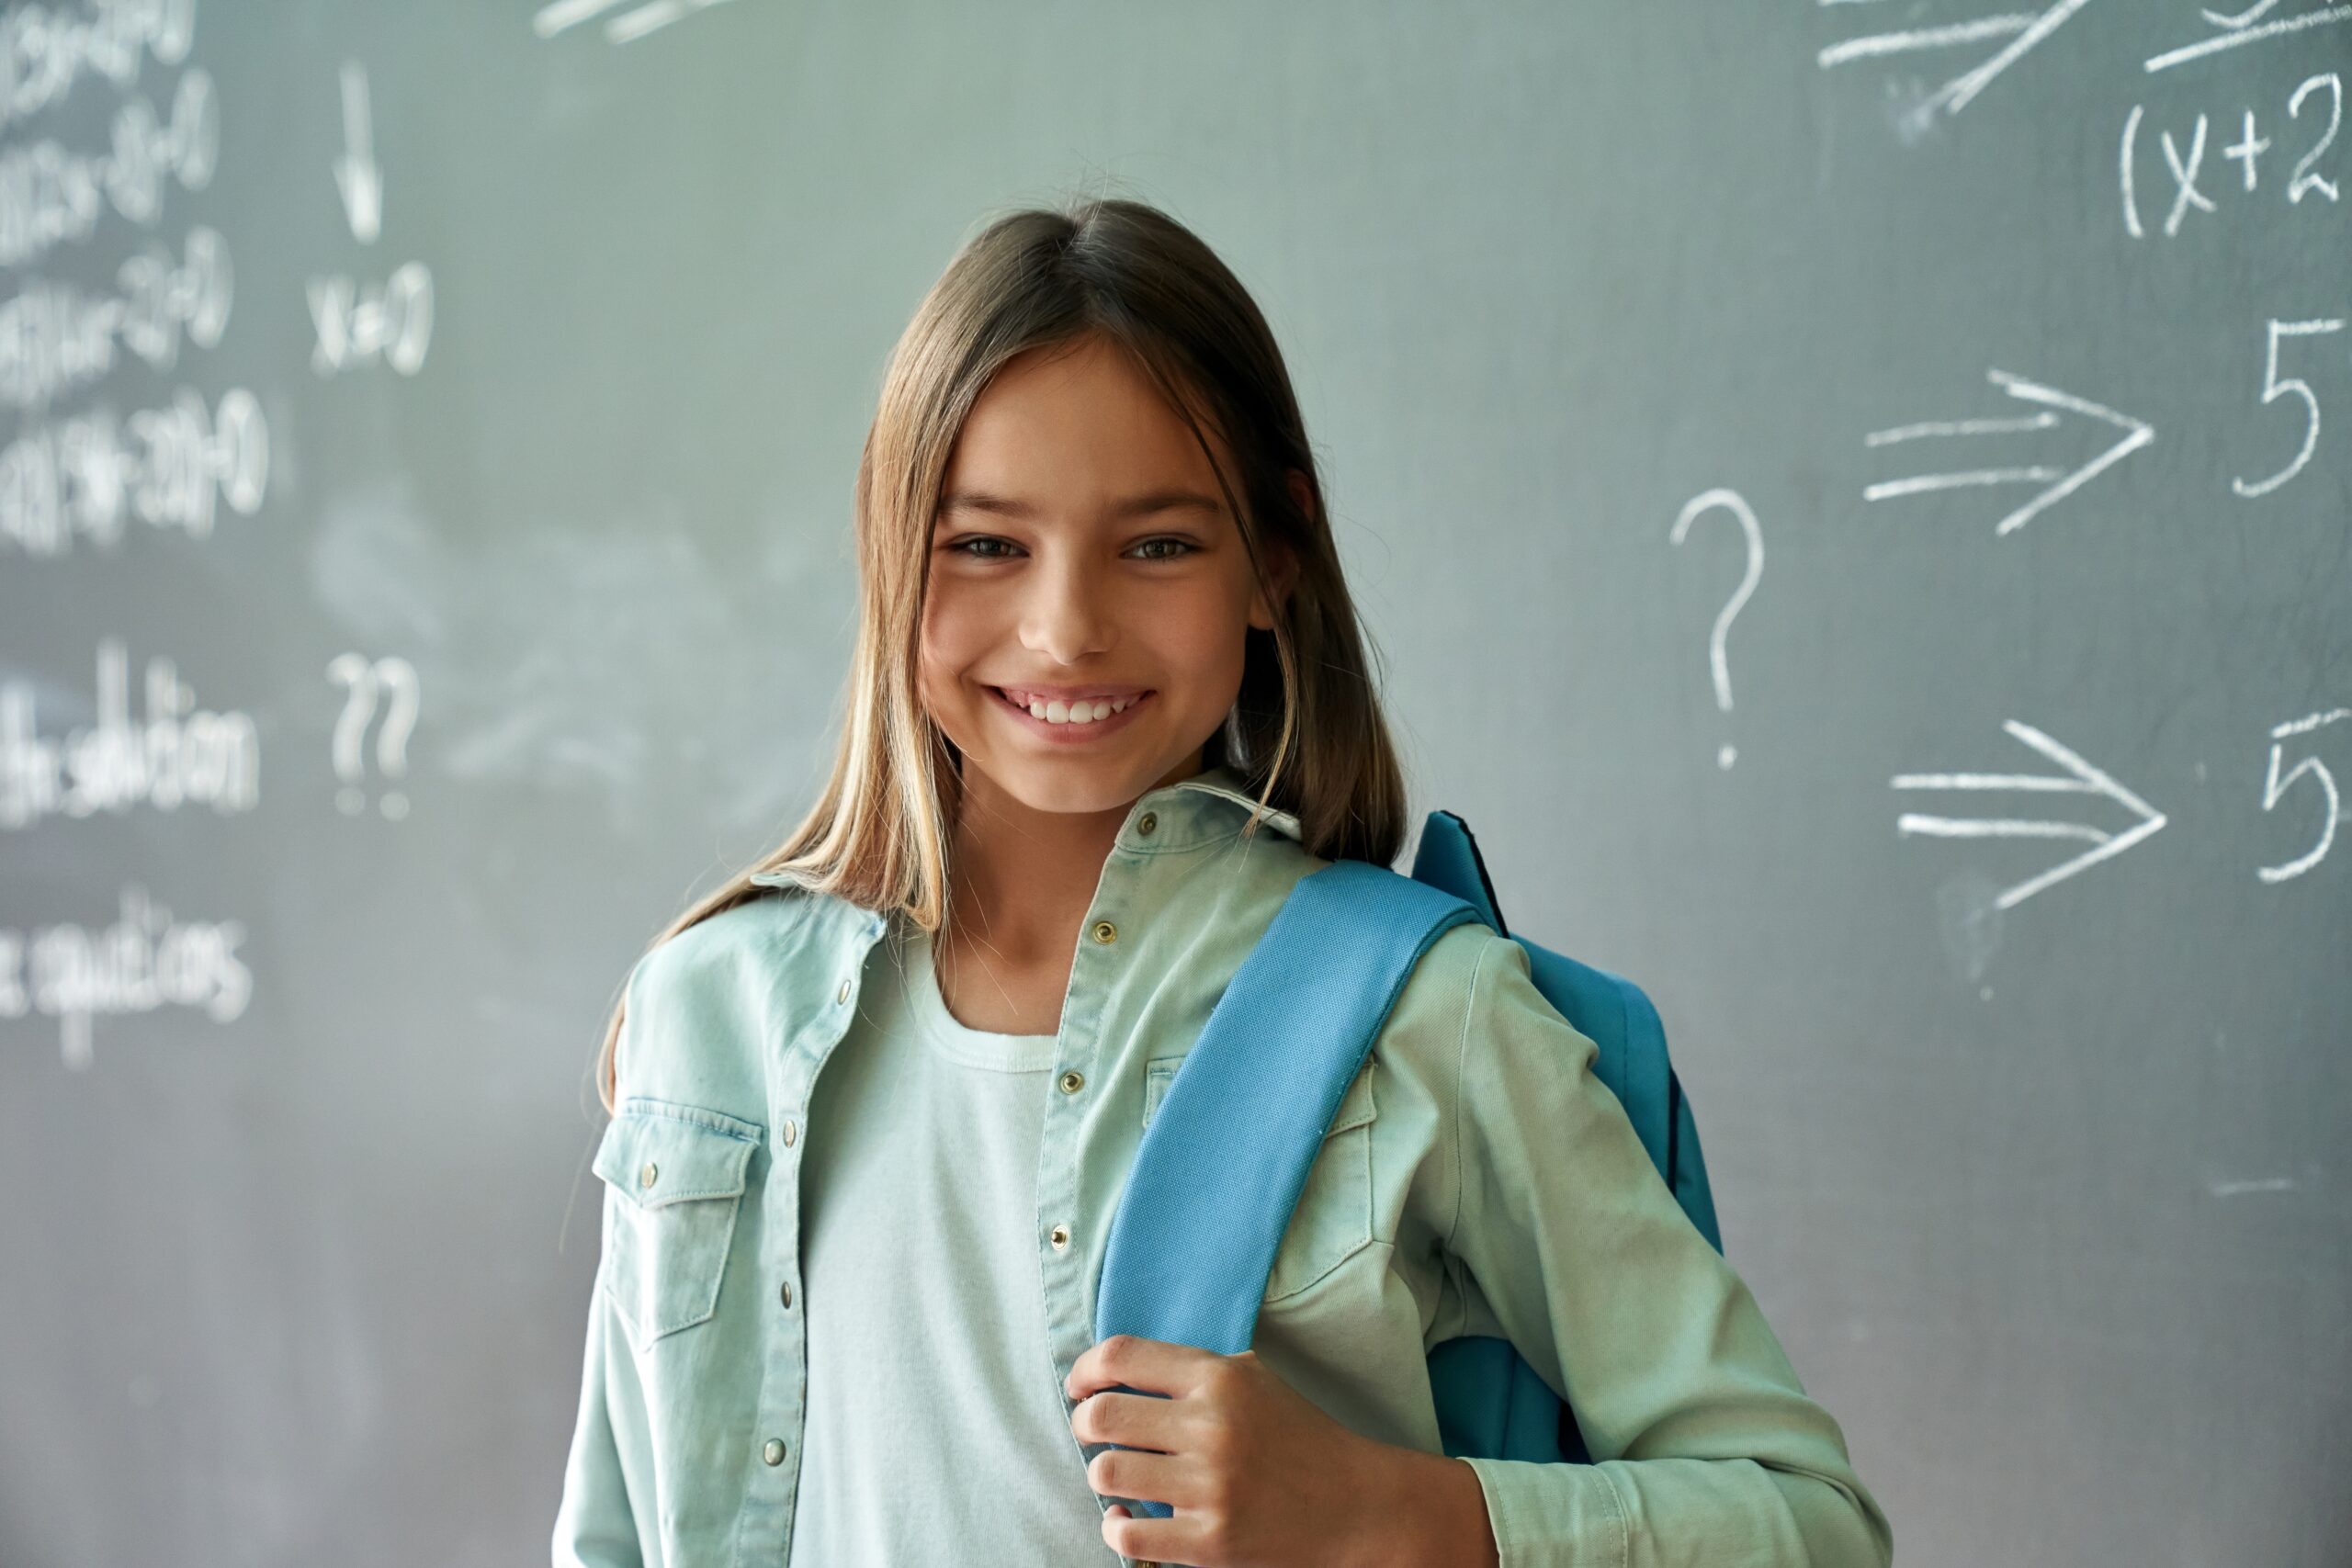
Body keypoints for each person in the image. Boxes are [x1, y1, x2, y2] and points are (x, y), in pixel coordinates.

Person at [553, 194, 1894, 1568]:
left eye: (1159, 545)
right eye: (986, 544)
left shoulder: (1429, 1016)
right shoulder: (698, 1017)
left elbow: (1809, 1522)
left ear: (1277, 557)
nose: (1066, 628)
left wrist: (1390, 1514)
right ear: (891, 549)